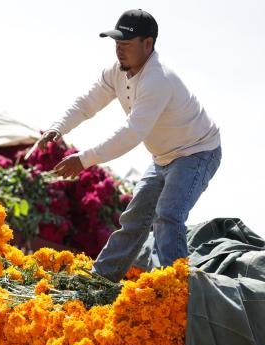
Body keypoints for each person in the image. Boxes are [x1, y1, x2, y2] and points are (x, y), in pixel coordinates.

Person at [39, 9, 222, 282]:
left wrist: (84, 159)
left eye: (126, 44)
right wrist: (58, 127)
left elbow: (132, 133)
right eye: (116, 44)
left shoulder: (157, 79)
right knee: (135, 218)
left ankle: (177, 291)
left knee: (168, 216)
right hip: (163, 157)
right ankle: (101, 279)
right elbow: (87, 103)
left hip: (197, 152)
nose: (119, 51)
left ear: (148, 44)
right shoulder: (116, 72)